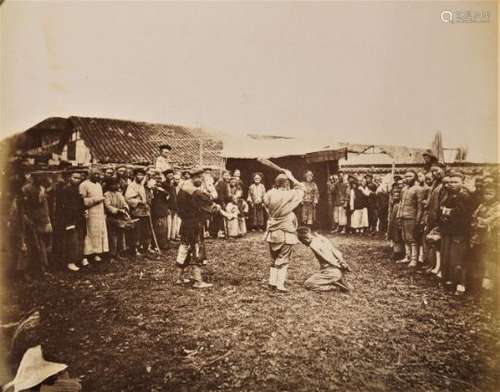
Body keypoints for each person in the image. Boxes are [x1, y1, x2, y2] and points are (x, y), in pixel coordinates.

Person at [175, 167, 232, 288]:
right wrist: (227, 215)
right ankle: (198, 281)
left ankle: (179, 278)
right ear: (194, 177)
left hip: (184, 224)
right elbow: (211, 206)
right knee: (197, 249)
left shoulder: (182, 188)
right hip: (195, 224)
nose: (201, 181)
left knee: (184, 248)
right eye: (200, 178)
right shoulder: (196, 192)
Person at [264, 169, 305, 292]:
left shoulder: (269, 193)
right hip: (286, 231)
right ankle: (279, 284)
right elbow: (302, 188)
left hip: (273, 230)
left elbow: (266, 205)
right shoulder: (290, 194)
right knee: (284, 258)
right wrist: (292, 176)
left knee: (274, 257)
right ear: (287, 183)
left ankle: (272, 282)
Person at [438, 171, 472, 295]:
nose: (452, 184)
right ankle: (450, 280)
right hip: (448, 230)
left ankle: (461, 284)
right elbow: (442, 210)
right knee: (447, 256)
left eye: (455, 182)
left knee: (458, 258)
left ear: (462, 183)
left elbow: (462, 213)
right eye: (450, 182)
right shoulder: (449, 195)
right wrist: (446, 212)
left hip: (460, 231)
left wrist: (447, 212)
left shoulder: (465, 196)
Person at [297, 226, 352, 292]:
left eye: (303, 242)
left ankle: (335, 287)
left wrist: (341, 266)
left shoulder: (314, 245)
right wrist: (343, 263)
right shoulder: (320, 238)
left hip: (332, 271)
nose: (305, 244)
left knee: (308, 284)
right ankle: (339, 280)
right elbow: (334, 251)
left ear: (305, 239)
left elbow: (328, 258)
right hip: (335, 270)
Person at [470, 184, 499, 299]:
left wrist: (483, 222)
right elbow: (474, 217)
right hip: (478, 236)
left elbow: (493, 221)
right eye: (486, 194)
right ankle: (477, 285)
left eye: (490, 194)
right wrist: (477, 222)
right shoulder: (481, 205)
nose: (487, 196)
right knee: (478, 260)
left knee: (490, 262)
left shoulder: (497, 207)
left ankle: (491, 289)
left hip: (491, 237)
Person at [20, 172, 53, 273]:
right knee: (33, 243)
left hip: (42, 219)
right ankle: (30, 268)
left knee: (41, 242)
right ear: (33, 178)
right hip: (31, 219)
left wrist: (47, 219)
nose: (41, 179)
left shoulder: (41, 188)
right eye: (38, 177)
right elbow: (25, 206)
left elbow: (45, 206)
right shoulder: (26, 189)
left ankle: (43, 266)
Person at [79, 168, 108, 264]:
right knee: (88, 233)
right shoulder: (84, 185)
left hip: (99, 213)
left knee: (97, 233)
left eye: (98, 174)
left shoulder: (98, 185)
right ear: (90, 174)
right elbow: (82, 201)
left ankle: (96, 253)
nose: (97, 176)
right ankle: (85, 255)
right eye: (95, 174)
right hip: (89, 213)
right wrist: (96, 199)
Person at [59, 172, 86, 271]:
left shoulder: (77, 190)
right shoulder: (65, 190)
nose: (77, 180)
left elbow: (80, 204)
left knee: (78, 239)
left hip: (78, 217)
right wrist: (68, 221)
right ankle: (70, 262)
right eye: (75, 178)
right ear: (70, 177)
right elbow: (64, 207)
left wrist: (82, 211)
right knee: (71, 240)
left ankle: (77, 259)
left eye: (79, 178)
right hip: (69, 218)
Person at [396, 170, 423, 267]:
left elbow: (420, 206)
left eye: (410, 176)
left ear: (415, 177)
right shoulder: (404, 189)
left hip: (412, 217)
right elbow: (401, 203)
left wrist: (418, 219)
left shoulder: (418, 189)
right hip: (403, 216)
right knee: (405, 237)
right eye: (406, 176)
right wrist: (399, 215)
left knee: (413, 238)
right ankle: (407, 256)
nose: (407, 178)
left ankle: (414, 259)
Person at [125, 167, 152, 257]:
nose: (140, 177)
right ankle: (134, 249)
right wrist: (139, 202)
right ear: (135, 176)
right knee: (136, 230)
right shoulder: (131, 186)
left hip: (144, 211)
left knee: (145, 230)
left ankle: (143, 247)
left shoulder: (141, 185)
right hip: (136, 211)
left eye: (142, 175)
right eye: (139, 175)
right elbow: (128, 198)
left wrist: (146, 204)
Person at [104, 177, 130, 261]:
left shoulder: (119, 194)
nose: (116, 186)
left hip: (120, 217)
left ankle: (119, 253)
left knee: (120, 235)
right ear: (109, 185)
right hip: (111, 217)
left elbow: (124, 202)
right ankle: (112, 255)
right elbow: (107, 206)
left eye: (116, 184)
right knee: (112, 237)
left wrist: (125, 208)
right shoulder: (106, 194)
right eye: (113, 184)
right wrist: (117, 210)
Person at [151, 172, 170, 250]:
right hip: (155, 211)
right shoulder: (152, 189)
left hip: (163, 210)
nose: (158, 181)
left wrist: (161, 190)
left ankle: (163, 244)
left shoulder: (163, 189)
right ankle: (156, 244)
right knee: (157, 228)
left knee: (164, 228)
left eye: (160, 179)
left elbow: (168, 197)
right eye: (156, 179)